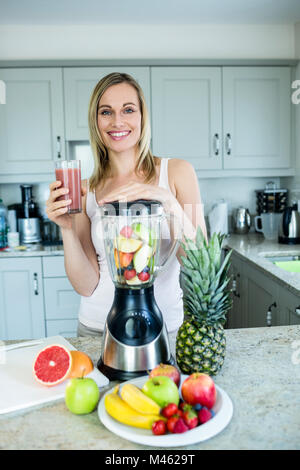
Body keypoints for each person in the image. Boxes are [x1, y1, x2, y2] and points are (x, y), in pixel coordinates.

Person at [46, 72, 207, 336]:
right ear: (96, 121)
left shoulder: (178, 173)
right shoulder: (85, 190)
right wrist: (66, 228)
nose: (117, 121)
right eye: (106, 112)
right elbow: (86, 285)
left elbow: (200, 264)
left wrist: (166, 200)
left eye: (128, 109)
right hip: (98, 329)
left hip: (165, 329)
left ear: (143, 116)